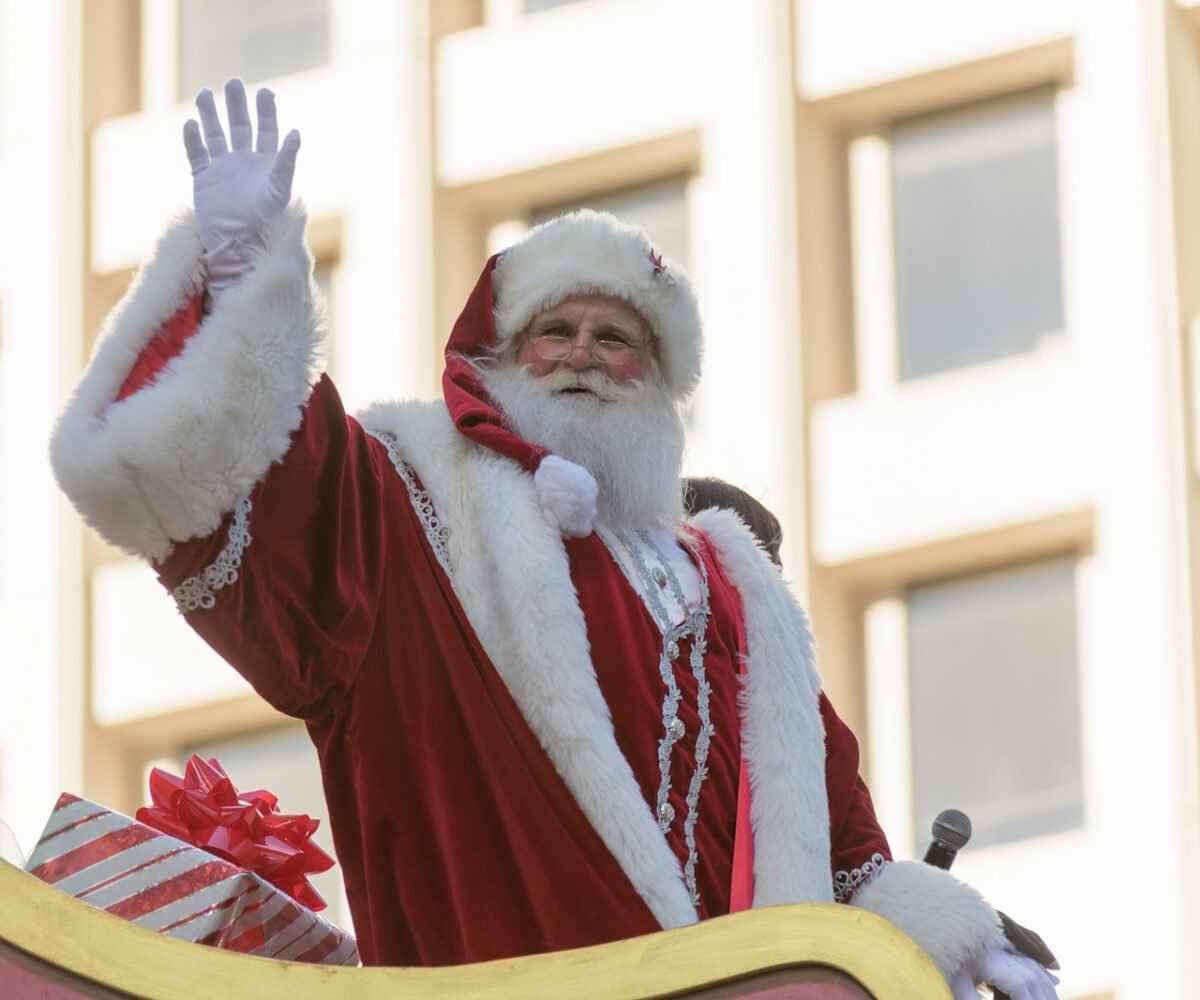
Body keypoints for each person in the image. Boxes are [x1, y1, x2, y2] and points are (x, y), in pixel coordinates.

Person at [50, 80, 1058, 998]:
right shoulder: (419, 504)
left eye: (615, 338)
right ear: (503, 357)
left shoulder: (736, 590)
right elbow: (290, 497)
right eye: (555, 331)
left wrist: (942, 938)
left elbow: (841, 840)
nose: (583, 354)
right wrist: (243, 281)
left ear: (658, 386)